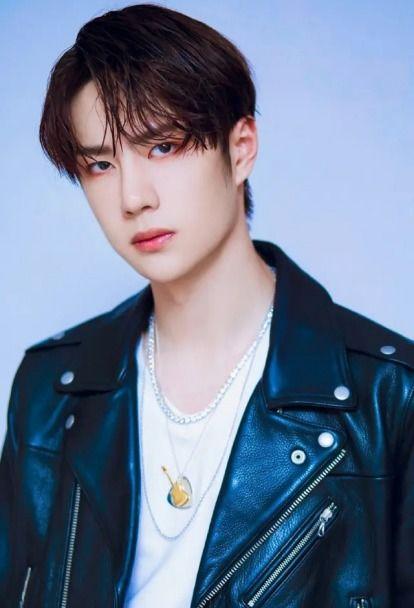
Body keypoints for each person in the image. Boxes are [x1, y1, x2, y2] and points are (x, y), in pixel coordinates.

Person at [0, 3, 413, 607]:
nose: (133, 197)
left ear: (240, 149)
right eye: (100, 164)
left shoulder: (388, 394)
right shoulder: (49, 388)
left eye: (162, 147)